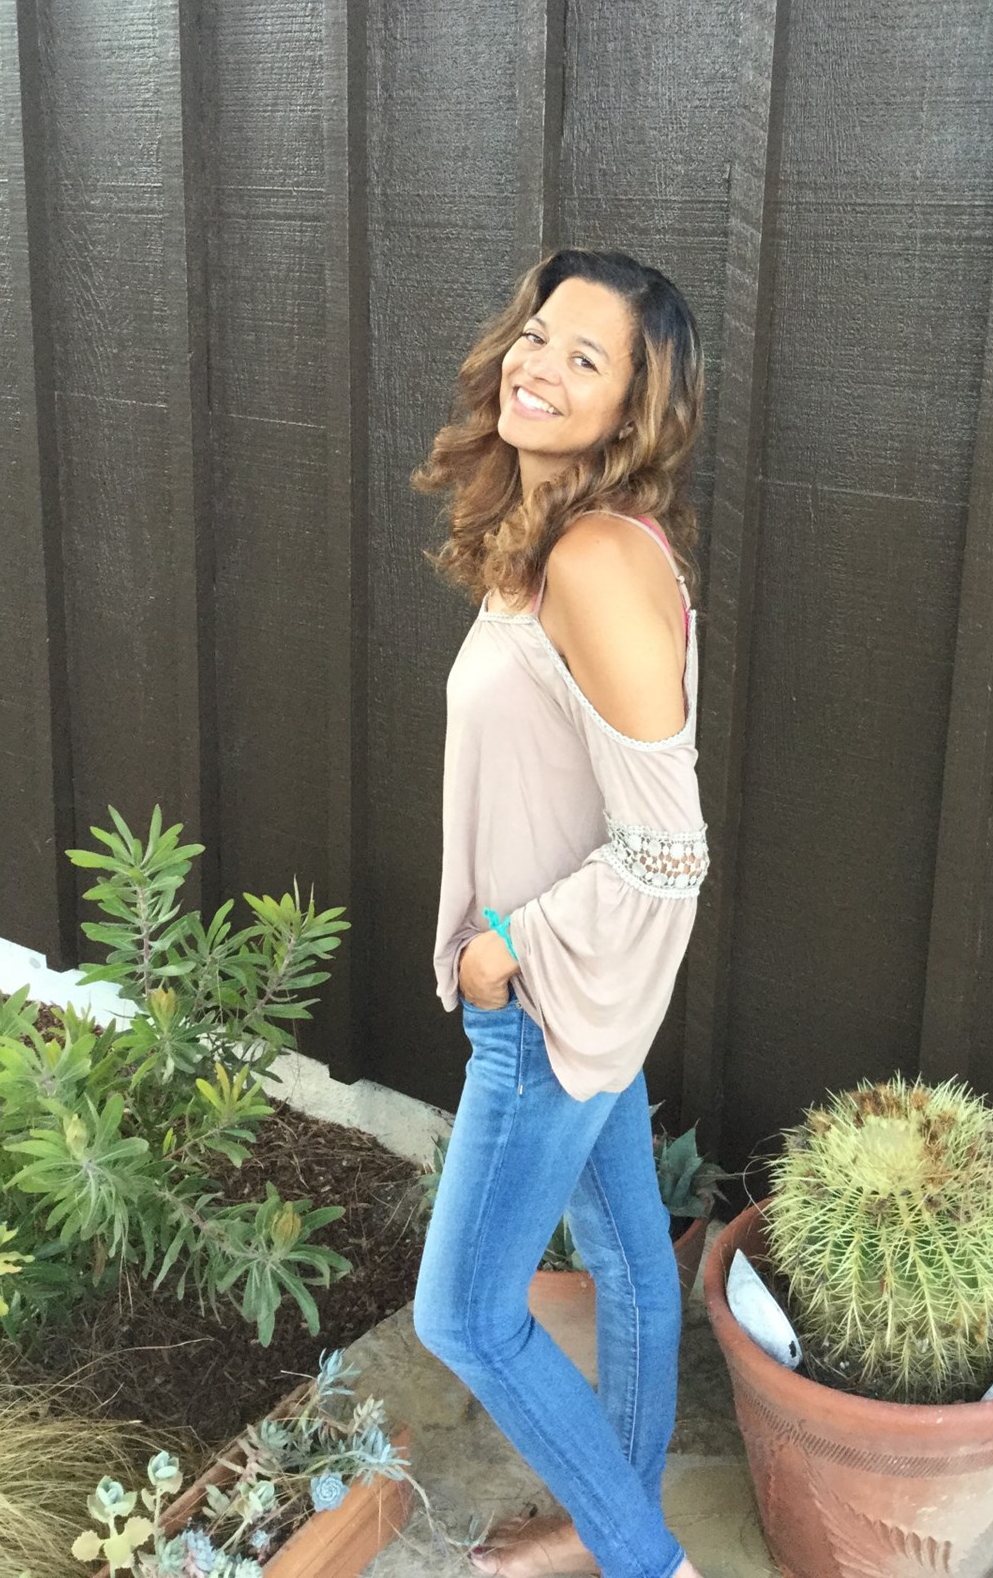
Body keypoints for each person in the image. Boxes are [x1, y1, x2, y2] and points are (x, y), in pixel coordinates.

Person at [409, 248, 710, 1578]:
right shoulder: (546, 542)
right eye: (538, 333)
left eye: (585, 358)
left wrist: (508, 949)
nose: (538, 365)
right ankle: (609, 1537)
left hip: (546, 993)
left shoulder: (592, 559)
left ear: (632, 412)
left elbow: (670, 849)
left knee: (466, 1317)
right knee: (630, 1264)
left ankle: (645, 1561)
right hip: (580, 989)